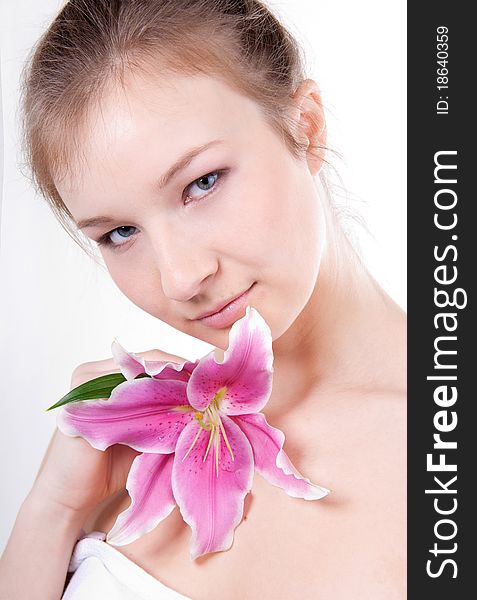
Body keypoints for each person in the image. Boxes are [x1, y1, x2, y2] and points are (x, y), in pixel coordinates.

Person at [0, 0, 406, 598]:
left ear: (307, 128)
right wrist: (51, 511)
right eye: (119, 233)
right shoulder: (113, 456)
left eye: (202, 183)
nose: (180, 278)